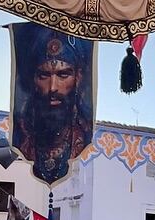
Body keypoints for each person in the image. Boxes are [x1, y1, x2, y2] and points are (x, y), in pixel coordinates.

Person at [12, 31, 95, 185]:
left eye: (63, 75)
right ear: (33, 80)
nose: (52, 88)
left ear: (78, 77)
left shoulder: (85, 135)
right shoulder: (21, 135)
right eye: (44, 76)